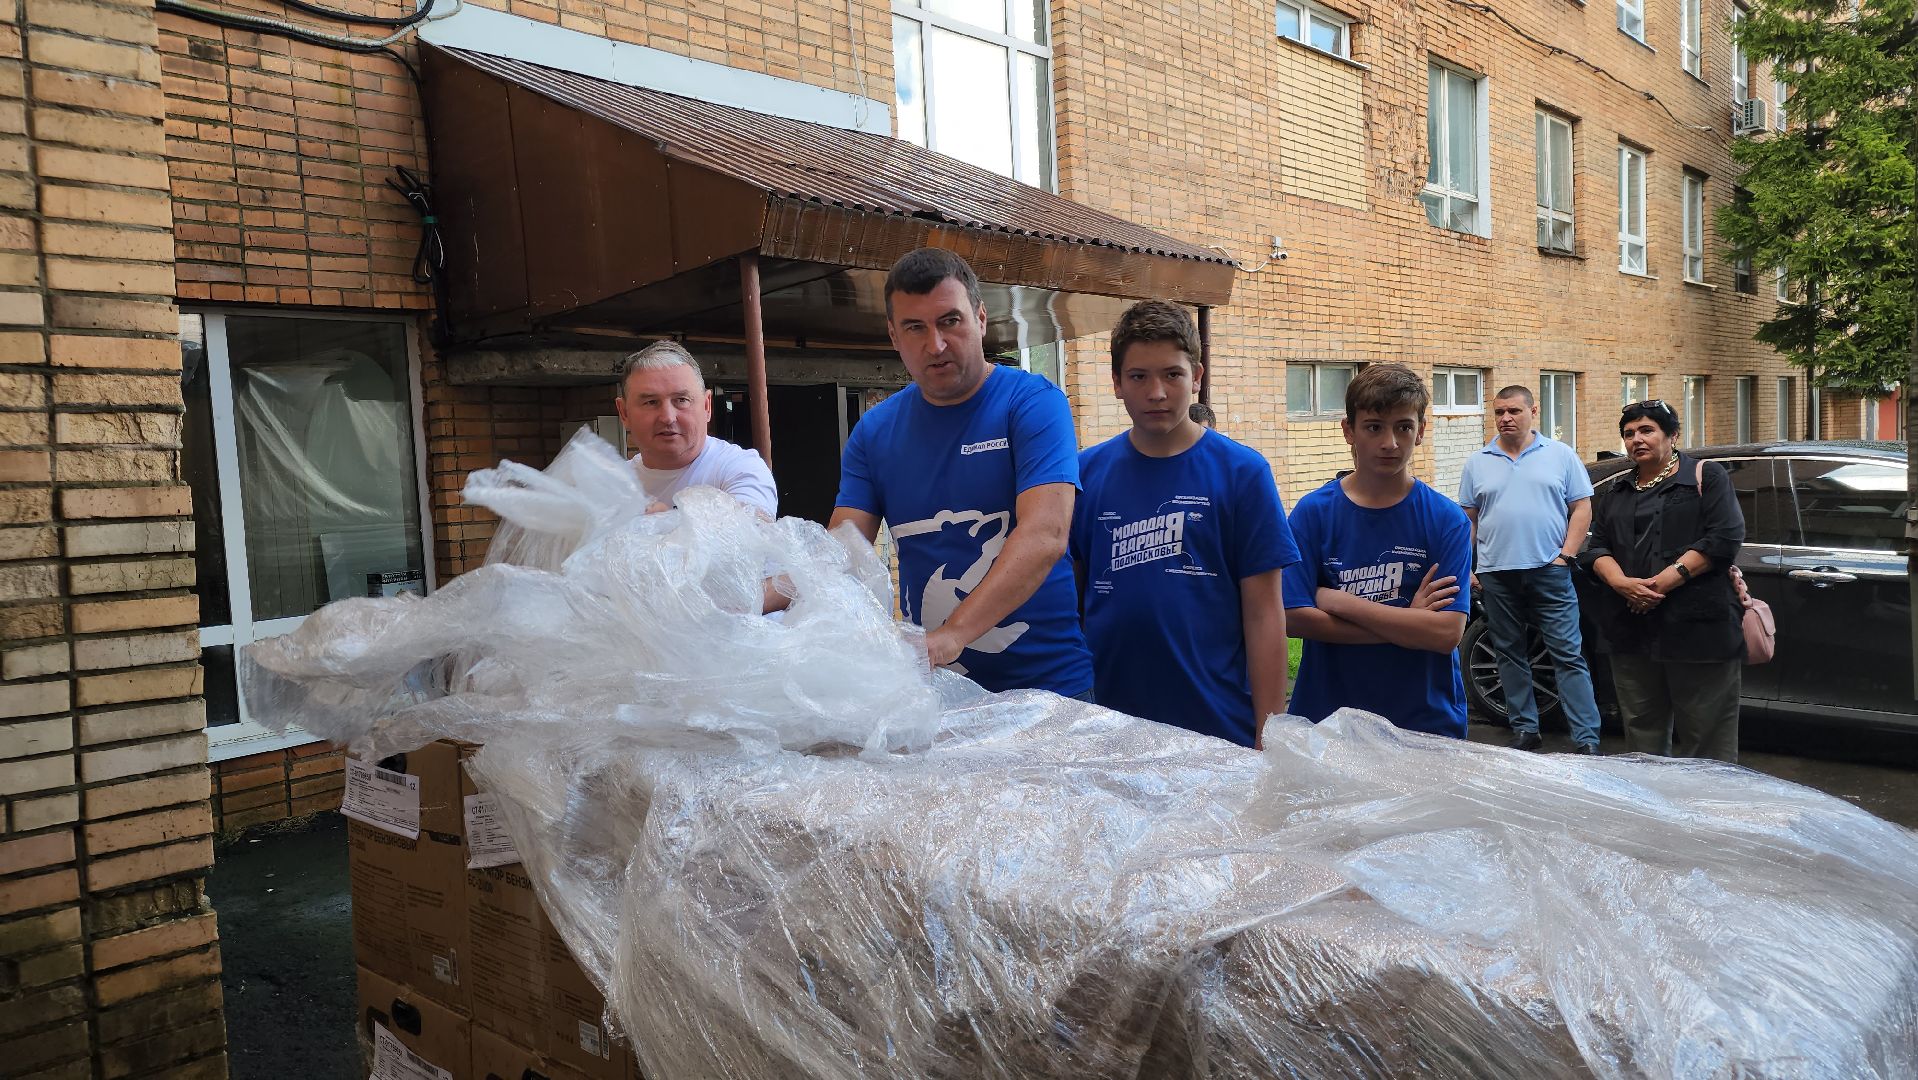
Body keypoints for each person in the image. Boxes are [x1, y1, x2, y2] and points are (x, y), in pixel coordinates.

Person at [828, 248, 1094, 697]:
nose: (935, 345)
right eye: (915, 328)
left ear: (981, 319)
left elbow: (1046, 533)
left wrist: (953, 634)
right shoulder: (875, 431)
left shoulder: (1031, 403)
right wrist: (755, 597)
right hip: (937, 696)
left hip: (1048, 694)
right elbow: (841, 547)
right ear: (894, 336)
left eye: (950, 321)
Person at [1071, 301, 1298, 747]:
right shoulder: (1085, 474)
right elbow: (1072, 602)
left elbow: (1265, 612)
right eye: (1139, 376)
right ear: (1117, 383)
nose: (1157, 392)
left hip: (1218, 726)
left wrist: (1270, 734)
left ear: (1196, 376)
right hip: (1110, 728)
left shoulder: (1242, 473)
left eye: (1172, 375)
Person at [1284, 364, 1473, 738]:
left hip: (1423, 724)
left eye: (1403, 427)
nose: (1390, 442)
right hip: (1329, 722)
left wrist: (1337, 602)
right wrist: (1407, 624)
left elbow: (1445, 633)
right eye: (1374, 427)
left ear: (1420, 431)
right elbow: (1293, 618)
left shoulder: (1446, 519)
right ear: (1348, 431)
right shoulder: (1313, 513)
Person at [1580, 400, 1745, 762]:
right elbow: (1595, 548)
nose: (1636, 439)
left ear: (1672, 435)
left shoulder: (1706, 477)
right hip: (1630, 628)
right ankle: (1653, 812)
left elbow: (1724, 539)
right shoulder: (1616, 492)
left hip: (1698, 630)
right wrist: (1623, 583)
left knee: (1706, 734)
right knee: (1642, 733)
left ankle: (1708, 814)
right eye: (1629, 433)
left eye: (1646, 430)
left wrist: (1659, 585)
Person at [1457, 385, 1604, 754]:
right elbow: (1468, 520)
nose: (1506, 418)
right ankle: (1526, 729)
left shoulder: (1560, 455)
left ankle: (1586, 738)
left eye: (1514, 411)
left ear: (1533, 412)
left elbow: (1582, 509)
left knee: (1567, 654)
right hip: (1496, 573)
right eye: (1500, 412)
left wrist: (1565, 556)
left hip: (1549, 570)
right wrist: (1467, 567)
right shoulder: (1478, 462)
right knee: (1509, 652)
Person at [613, 340, 778, 519]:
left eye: (681, 400)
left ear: (707, 406)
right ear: (624, 413)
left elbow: (753, 534)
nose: (668, 417)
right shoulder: (613, 485)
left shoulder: (740, 469)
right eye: (651, 402)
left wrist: (664, 524)